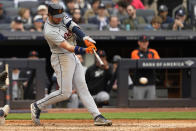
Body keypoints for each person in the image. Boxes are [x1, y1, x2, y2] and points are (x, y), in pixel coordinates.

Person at [30, 3, 112, 126]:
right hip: (61, 57)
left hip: (72, 56)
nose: (59, 18)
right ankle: (37, 105)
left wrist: (84, 38)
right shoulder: (49, 31)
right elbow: (68, 47)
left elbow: (73, 26)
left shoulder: (62, 16)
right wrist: (85, 50)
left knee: (83, 88)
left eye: (60, 15)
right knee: (65, 93)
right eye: (56, 16)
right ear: (49, 15)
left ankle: (97, 116)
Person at [131, 35, 160, 100]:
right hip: (138, 83)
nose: (144, 43)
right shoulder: (135, 52)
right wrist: (151, 62)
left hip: (151, 83)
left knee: (151, 106)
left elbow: (158, 63)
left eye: (146, 42)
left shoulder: (153, 52)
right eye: (142, 42)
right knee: (138, 105)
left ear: (148, 43)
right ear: (139, 43)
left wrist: (150, 62)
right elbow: (140, 64)